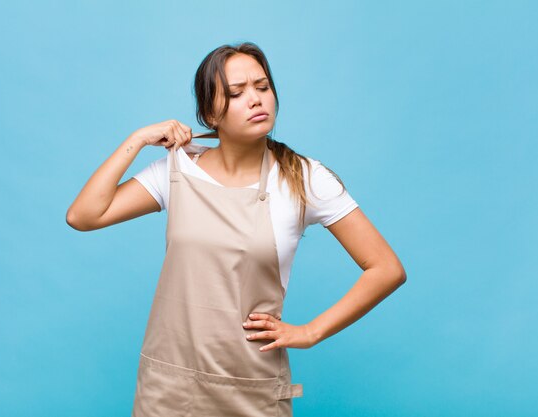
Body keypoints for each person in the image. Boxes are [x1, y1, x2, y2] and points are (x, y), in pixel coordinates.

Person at [66, 41, 407, 417]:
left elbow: (386, 269)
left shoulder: (304, 178)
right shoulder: (177, 171)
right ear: (209, 114)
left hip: (251, 386)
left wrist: (310, 332)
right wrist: (138, 139)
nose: (256, 100)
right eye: (236, 93)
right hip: (169, 385)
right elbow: (84, 217)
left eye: (262, 87)